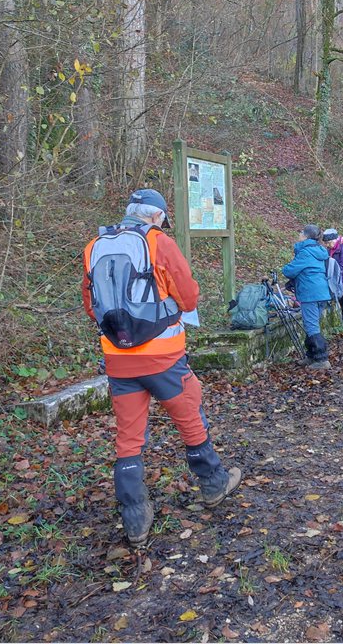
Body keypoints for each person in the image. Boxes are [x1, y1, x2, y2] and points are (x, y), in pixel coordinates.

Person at [82, 189, 240, 548]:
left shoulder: (95, 245)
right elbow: (188, 297)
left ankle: (134, 516)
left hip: (118, 358)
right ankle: (213, 483)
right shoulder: (158, 242)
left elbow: (91, 303)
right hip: (163, 356)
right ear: (156, 216)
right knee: (188, 414)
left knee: (129, 435)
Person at [282, 225, 332, 369]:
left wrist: (284, 269)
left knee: (311, 326)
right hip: (321, 292)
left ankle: (321, 359)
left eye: (301, 232)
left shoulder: (306, 252)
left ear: (306, 236)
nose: (299, 234)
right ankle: (311, 356)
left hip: (310, 293)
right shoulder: (319, 251)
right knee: (312, 324)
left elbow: (289, 271)